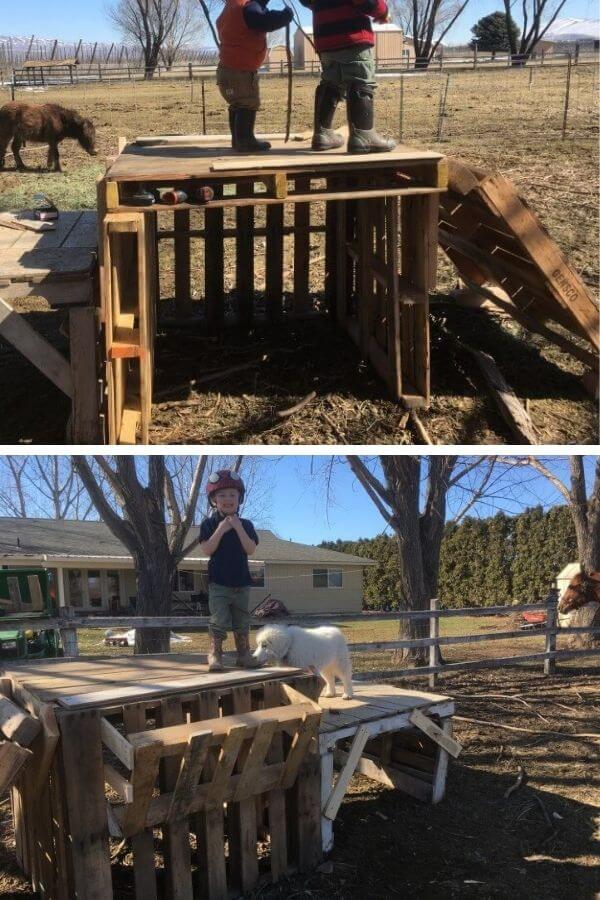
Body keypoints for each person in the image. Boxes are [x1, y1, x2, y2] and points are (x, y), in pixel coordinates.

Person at [299, 0, 396, 153]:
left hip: (325, 38)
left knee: (330, 82)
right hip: (352, 35)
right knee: (360, 80)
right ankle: (363, 136)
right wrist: (382, 10)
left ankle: (322, 134)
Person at [199, 469, 260, 671]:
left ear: (239, 499)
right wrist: (222, 529)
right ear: (213, 500)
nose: (227, 499)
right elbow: (207, 549)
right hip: (219, 583)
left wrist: (238, 527)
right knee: (218, 620)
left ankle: (243, 654)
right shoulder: (209, 524)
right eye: (222, 495)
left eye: (232, 495)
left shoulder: (247, 525)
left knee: (242, 619)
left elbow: (250, 549)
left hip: (242, 582)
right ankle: (215, 655)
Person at [216, 0, 294, 152]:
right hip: (240, 70)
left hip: (226, 68)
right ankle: (245, 141)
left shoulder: (232, 7)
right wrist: (284, 16)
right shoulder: (249, 6)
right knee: (247, 102)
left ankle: (238, 140)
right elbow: (262, 20)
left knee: (238, 103)